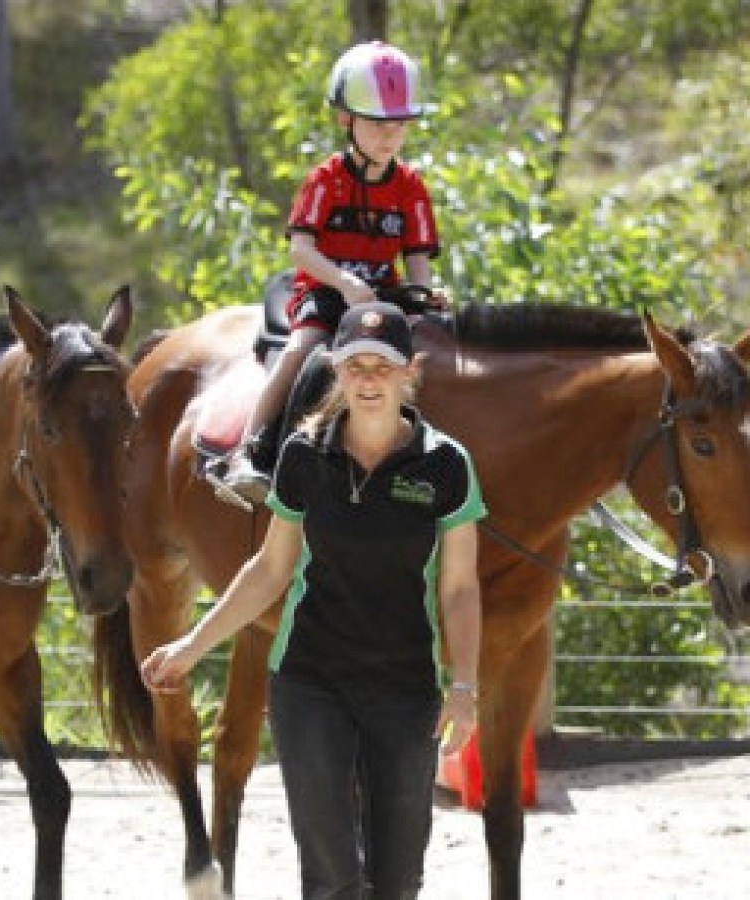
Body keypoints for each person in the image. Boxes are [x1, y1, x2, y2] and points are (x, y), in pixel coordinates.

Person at [142, 301, 484, 899]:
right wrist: (191, 646)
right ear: (336, 371)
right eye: (356, 366)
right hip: (310, 686)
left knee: (398, 880)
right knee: (331, 880)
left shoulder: (446, 464)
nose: (369, 380)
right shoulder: (303, 455)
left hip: (406, 690)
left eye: (384, 366)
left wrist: (464, 685)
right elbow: (269, 570)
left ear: (409, 373)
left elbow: (459, 588)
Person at [224, 40, 443, 504]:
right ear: (346, 120)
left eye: (400, 125)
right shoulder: (325, 180)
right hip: (324, 291)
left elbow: (417, 260)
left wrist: (424, 294)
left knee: (434, 354)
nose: (389, 137)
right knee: (300, 350)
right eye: (378, 124)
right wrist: (344, 283)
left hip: (384, 299)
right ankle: (248, 451)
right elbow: (300, 251)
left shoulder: (411, 187)